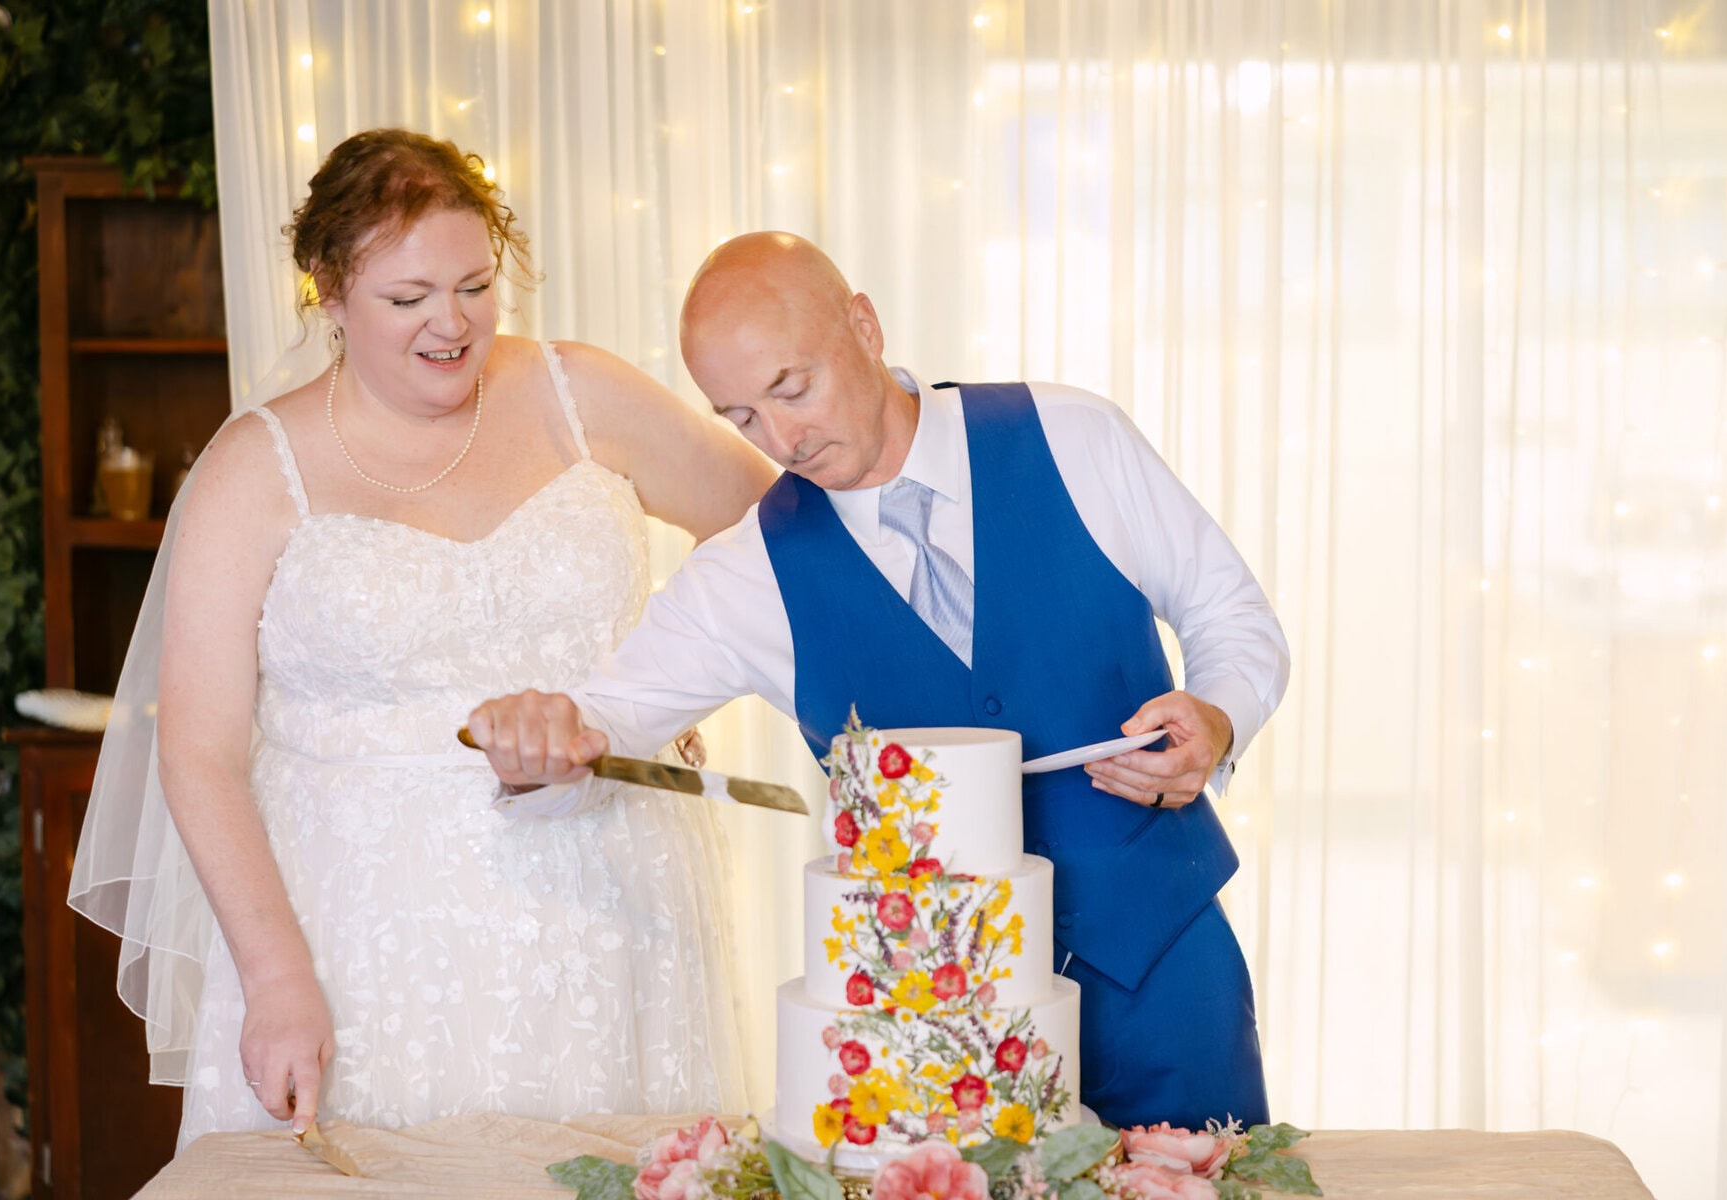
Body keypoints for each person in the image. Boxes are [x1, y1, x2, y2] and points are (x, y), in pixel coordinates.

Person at [467, 231, 1288, 1131]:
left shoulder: (1072, 434)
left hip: (1166, 971)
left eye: (792, 387)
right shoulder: (747, 574)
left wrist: (1215, 719)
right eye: (740, 417)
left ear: (863, 324)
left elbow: (1234, 618)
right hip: (933, 1036)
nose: (783, 438)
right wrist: (536, 746)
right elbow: (601, 726)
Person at [67, 130, 775, 1148]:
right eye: (409, 299)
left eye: (475, 285)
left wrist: (659, 693)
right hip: (356, 937)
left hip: (609, 909)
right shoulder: (251, 470)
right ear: (328, 290)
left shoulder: (587, 396)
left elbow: (775, 544)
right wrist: (275, 978)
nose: (453, 324)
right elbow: (201, 752)